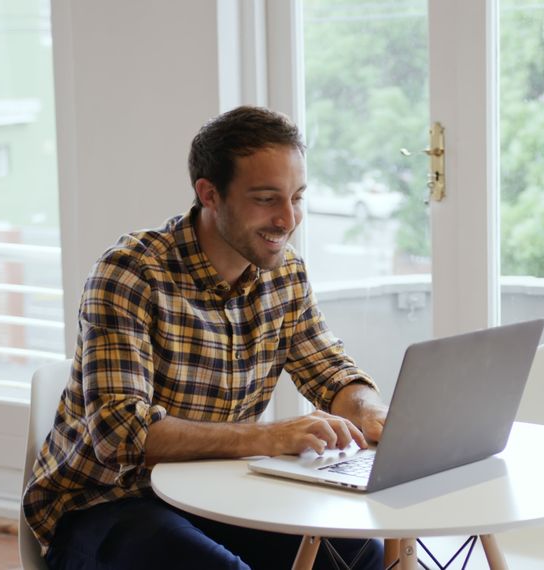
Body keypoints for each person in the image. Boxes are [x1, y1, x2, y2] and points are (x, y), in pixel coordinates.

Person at [23, 106, 388, 570]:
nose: (287, 218)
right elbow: (120, 434)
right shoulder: (132, 272)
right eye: (265, 199)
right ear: (209, 194)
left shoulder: (284, 273)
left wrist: (373, 413)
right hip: (104, 504)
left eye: (297, 196)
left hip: (217, 494)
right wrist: (270, 437)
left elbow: (332, 372)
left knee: (359, 556)